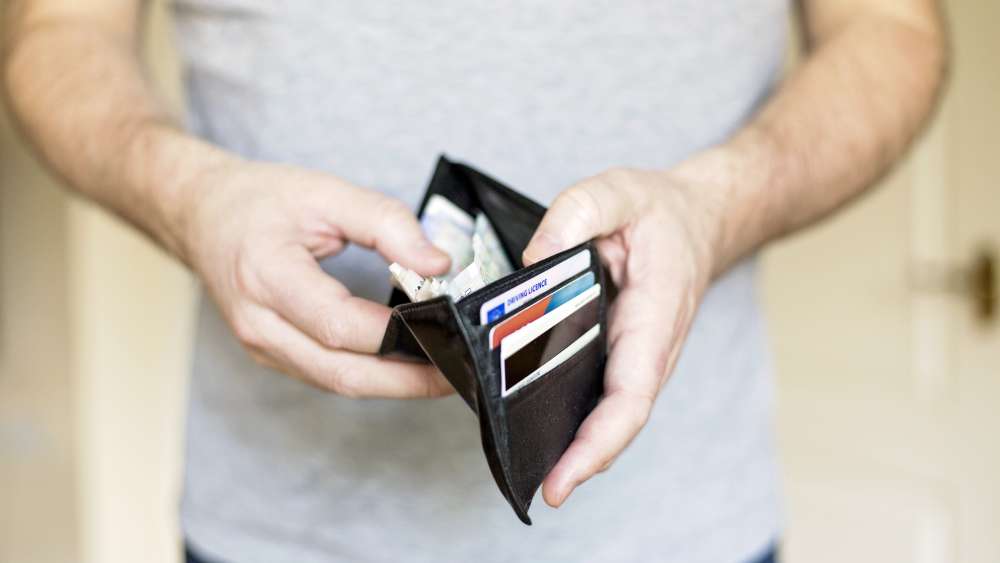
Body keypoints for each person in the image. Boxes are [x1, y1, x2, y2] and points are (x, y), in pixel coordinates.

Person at [2, 1, 946, 561]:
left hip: (679, 529)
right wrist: (187, 193)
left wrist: (717, 207)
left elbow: (895, 27)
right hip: (276, 529)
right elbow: (54, 32)